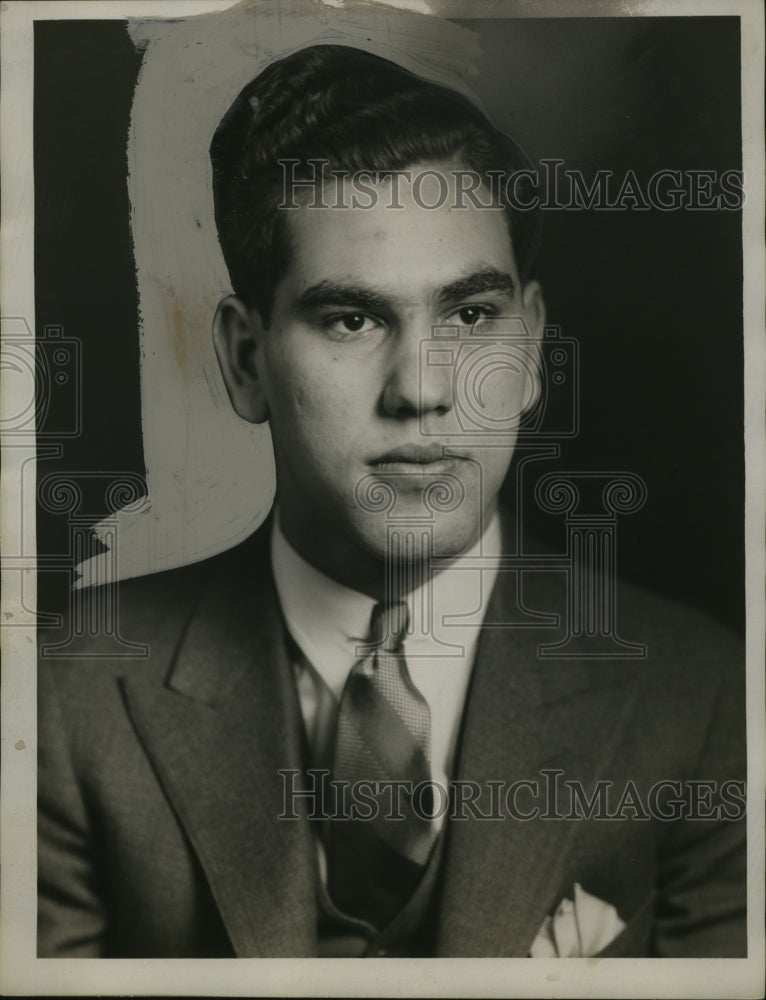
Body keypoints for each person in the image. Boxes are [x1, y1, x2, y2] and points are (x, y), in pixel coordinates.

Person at [37, 44, 746, 959]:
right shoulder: (67, 693)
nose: (422, 387)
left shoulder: (705, 700)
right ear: (247, 361)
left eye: (471, 316)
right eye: (351, 319)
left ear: (530, 347)